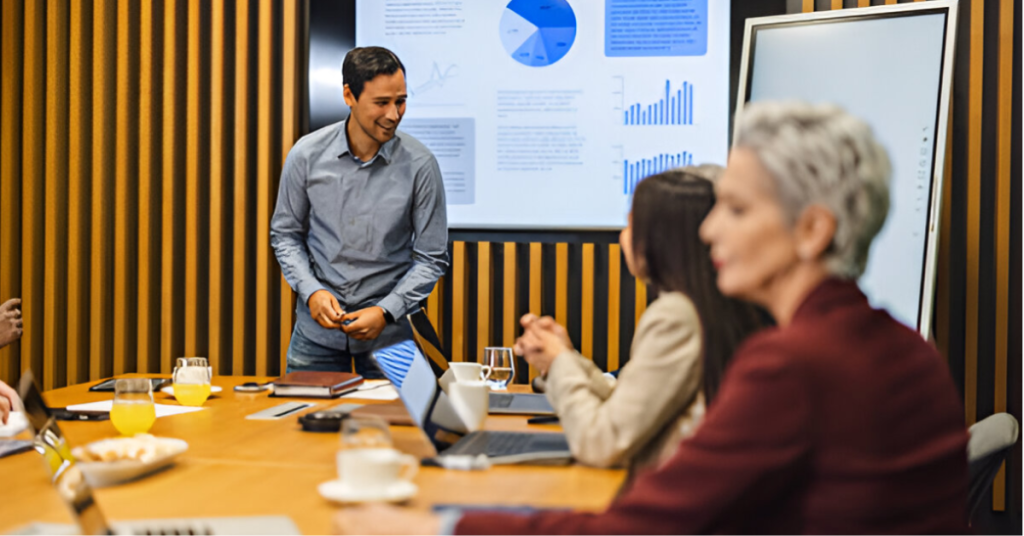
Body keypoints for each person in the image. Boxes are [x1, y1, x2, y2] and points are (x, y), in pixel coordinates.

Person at [334, 101, 969, 534]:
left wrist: (438, 524)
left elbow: (637, 527)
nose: (711, 229)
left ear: (812, 229)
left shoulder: (795, 366)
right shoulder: (903, 348)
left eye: (738, 210)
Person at [514, 167, 768, 474]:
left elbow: (600, 443)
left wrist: (559, 364)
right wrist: (564, 358)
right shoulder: (706, 305)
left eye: (630, 223)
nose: (622, 236)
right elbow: (630, 406)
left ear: (660, 239)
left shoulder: (676, 315)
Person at [271, 47, 448, 378]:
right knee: (304, 429)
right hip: (315, 339)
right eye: (382, 103)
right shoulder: (306, 156)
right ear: (349, 95)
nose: (394, 114)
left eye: (401, 101)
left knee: (400, 430)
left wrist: (385, 311)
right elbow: (285, 235)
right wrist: (312, 291)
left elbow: (432, 259)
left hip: (393, 338)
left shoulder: (421, 165)